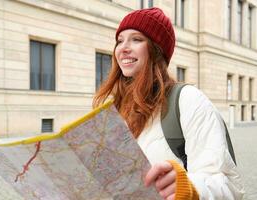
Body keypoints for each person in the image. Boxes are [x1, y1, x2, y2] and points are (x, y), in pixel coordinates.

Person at [93, 7, 244, 200]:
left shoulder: (188, 99)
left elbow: (228, 185)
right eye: (119, 41)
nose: (123, 48)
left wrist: (188, 187)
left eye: (137, 39)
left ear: (157, 51)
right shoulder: (115, 109)